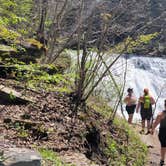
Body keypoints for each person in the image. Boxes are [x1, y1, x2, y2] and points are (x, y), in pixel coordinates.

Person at [151, 100, 166, 166]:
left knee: (163, 146)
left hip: (163, 132)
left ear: (165, 105)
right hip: (163, 132)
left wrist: (152, 130)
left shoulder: (161, 114)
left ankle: (162, 160)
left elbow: (156, 123)